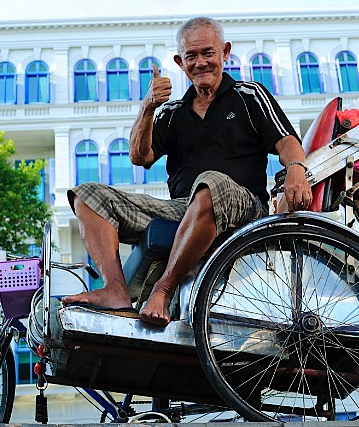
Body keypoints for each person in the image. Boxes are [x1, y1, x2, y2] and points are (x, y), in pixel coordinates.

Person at [63, 17, 312, 325]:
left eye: (208, 53)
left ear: (225, 52)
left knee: (209, 183)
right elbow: (140, 157)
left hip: (245, 207)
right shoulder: (172, 113)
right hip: (185, 209)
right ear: (180, 62)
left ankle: (164, 289)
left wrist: (296, 169)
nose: (200, 63)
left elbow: (287, 140)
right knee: (88, 195)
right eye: (191, 56)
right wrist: (147, 107)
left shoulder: (250, 95)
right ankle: (115, 290)